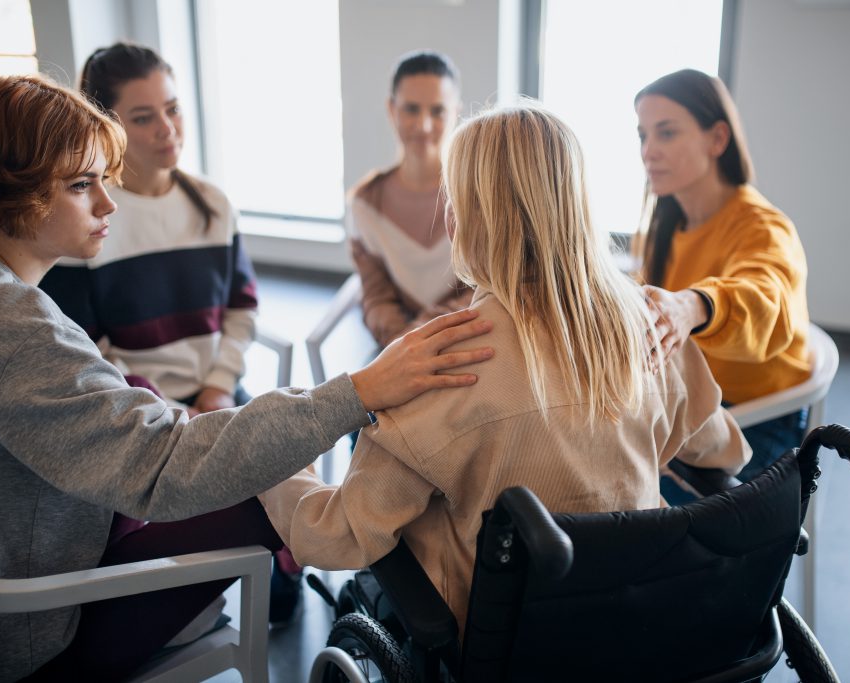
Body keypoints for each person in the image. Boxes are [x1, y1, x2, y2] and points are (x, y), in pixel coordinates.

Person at [0, 71, 493, 682]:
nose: (109, 203)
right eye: (82, 186)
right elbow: (161, 462)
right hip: (38, 629)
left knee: (157, 402)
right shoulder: (8, 324)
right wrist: (361, 391)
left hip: (53, 549)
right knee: (265, 494)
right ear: (10, 191)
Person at [258, 104, 750, 634]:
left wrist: (278, 457)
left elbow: (335, 534)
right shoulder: (656, 325)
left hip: (499, 636)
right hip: (633, 618)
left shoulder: (442, 367)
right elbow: (723, 451)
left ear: (465, 216)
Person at [40, 43, 254, 415]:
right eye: (143, 118)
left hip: (220, 401)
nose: (167, 129)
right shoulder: (82, 217)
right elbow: (84, 348)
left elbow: (242, 308)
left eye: (173, 109)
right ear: (105, 127)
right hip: (133, 412)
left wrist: (220, 387)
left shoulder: (214, 204)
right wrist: (170, 410)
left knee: (302, 466)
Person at [633, 68, 812, 485]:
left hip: (756, 422)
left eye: (667, 133)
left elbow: (766, 302)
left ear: (717, 139)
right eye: (643, 135)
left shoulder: (763, 226)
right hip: (696, 406)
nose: (649, 151)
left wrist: (693, 305)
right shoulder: (668, 224)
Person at [346, 50, 472, 347]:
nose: (424, 126)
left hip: (471, 342)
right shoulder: (365, 203)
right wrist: (402, 343)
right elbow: (375, 296)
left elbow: (488, 290)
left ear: (456, 112)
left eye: (438, 111)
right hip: (398, 349)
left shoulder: (480, 195)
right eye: (411, 109)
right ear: (392, 109)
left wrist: (421, 334)